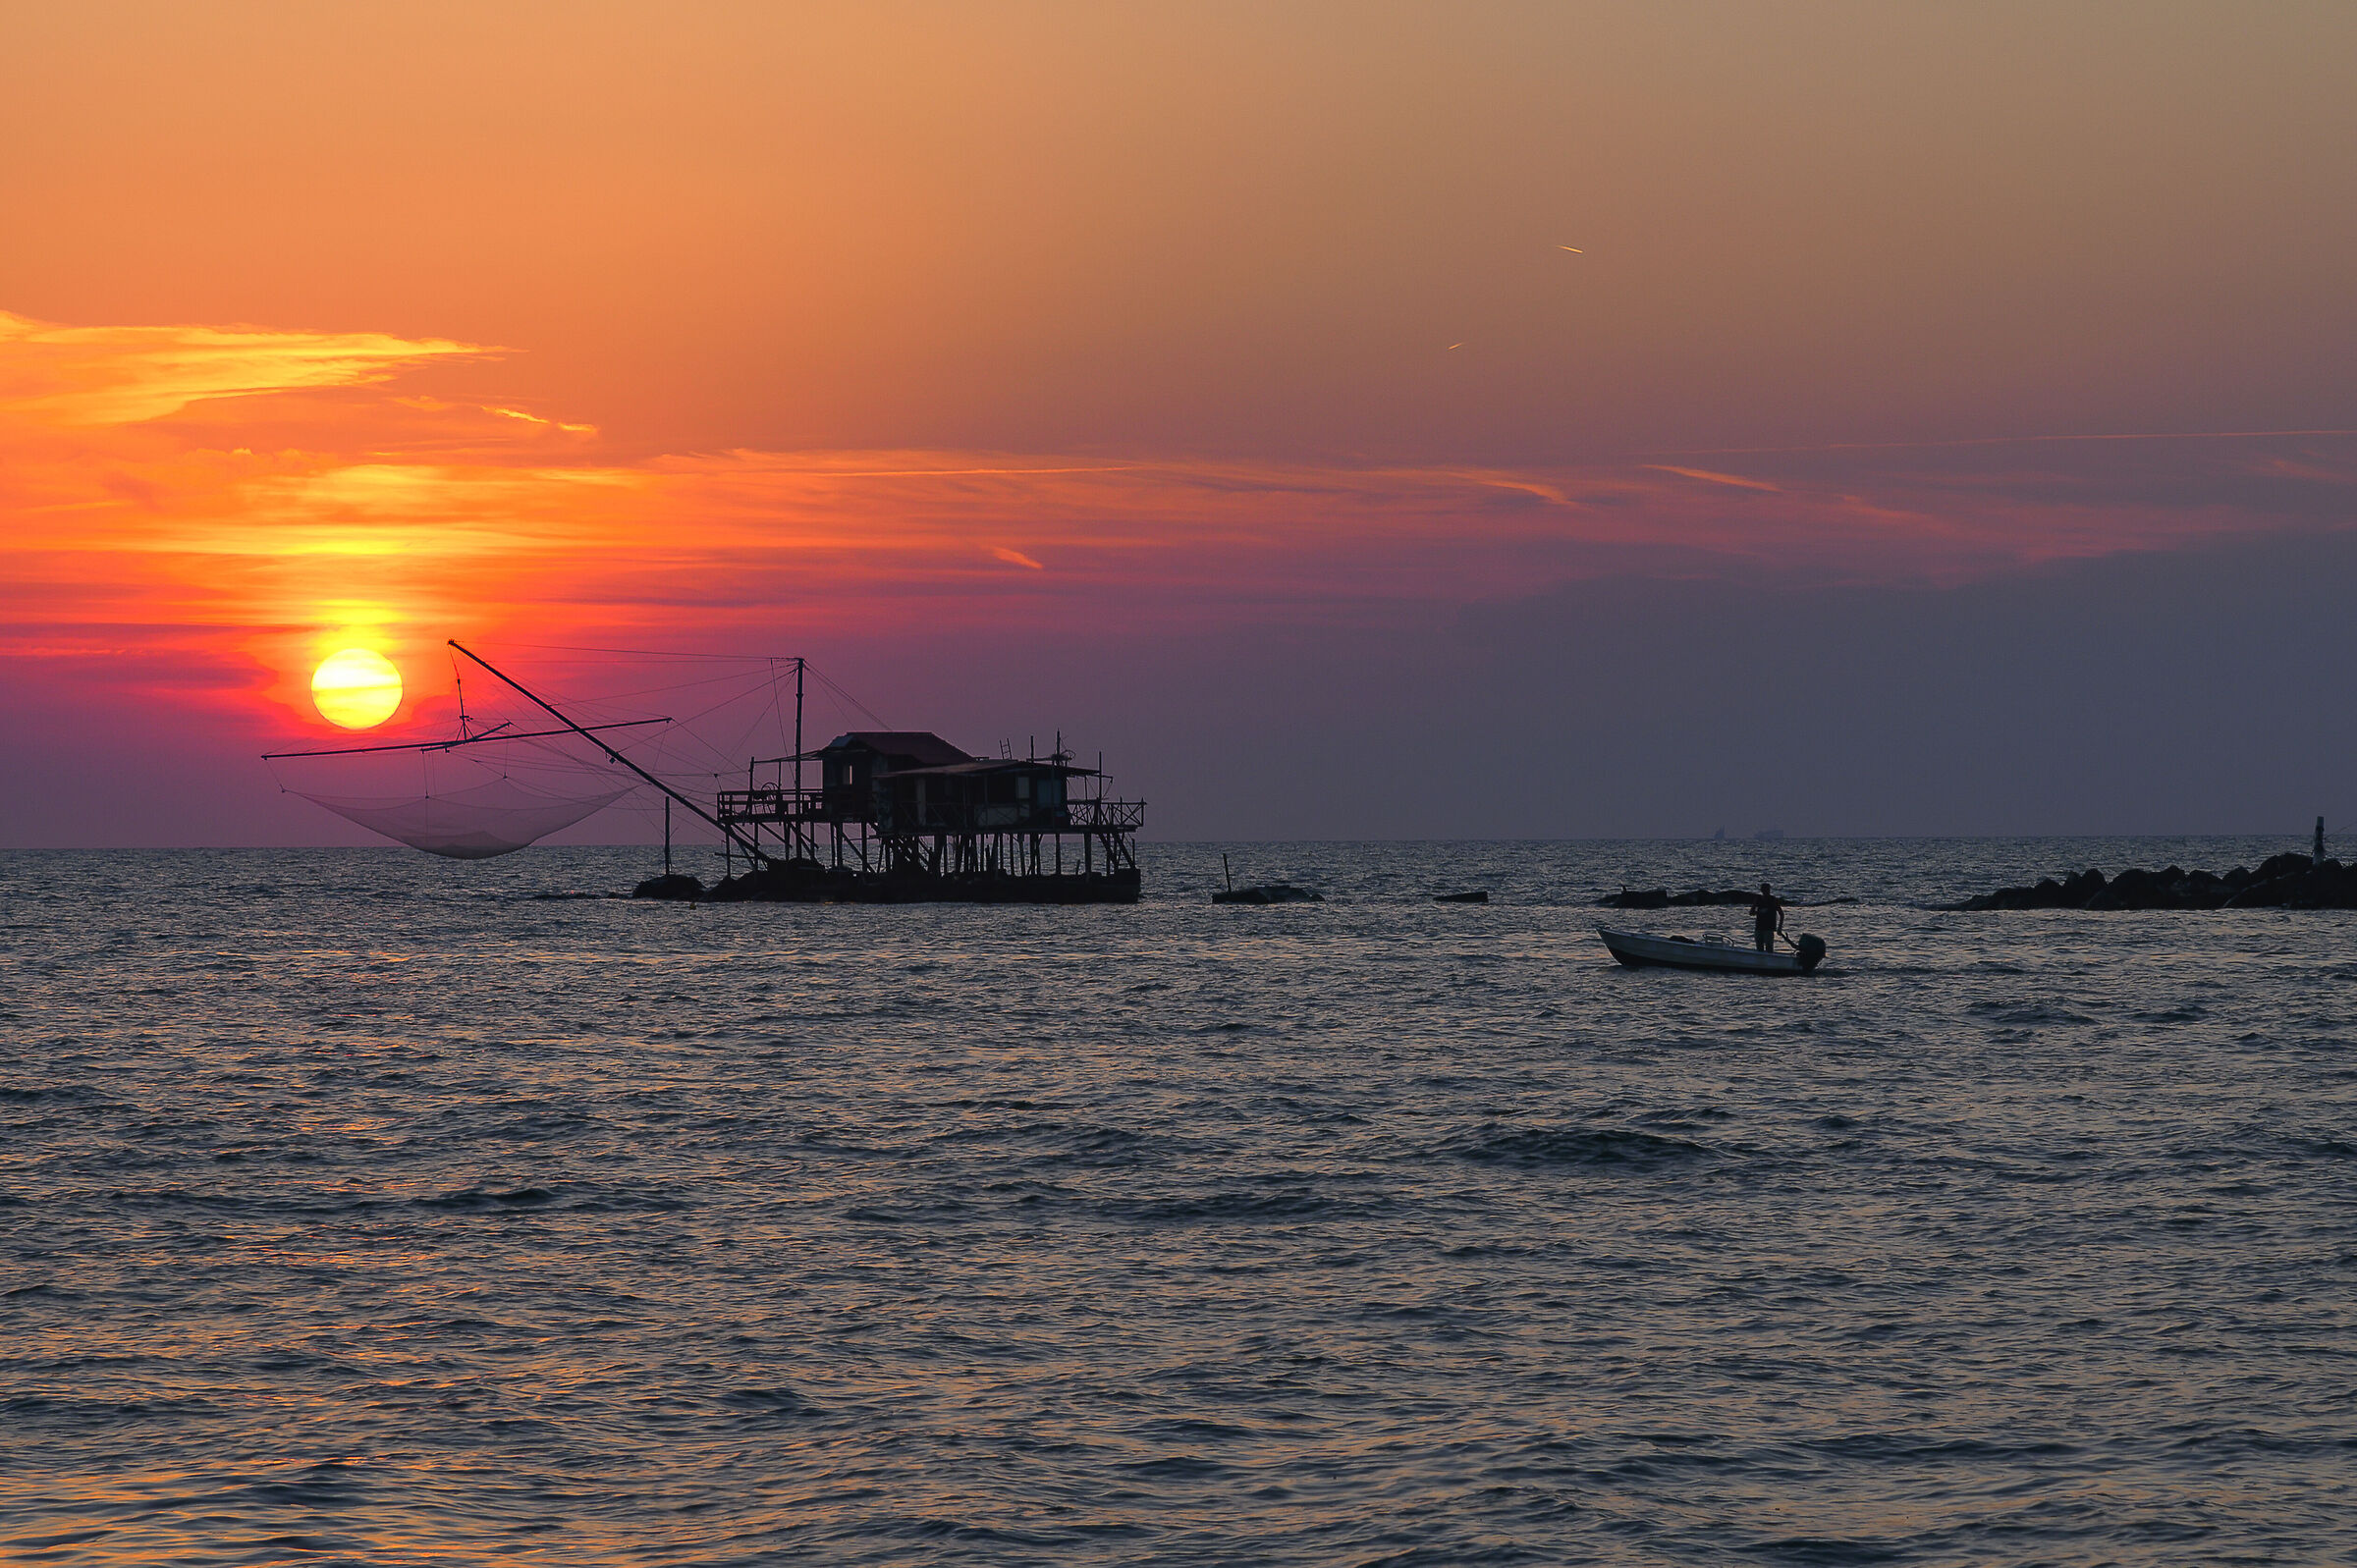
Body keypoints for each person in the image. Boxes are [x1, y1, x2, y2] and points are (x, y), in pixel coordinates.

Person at [1750, 881, 1784, 951]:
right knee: (1759, 949)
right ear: (1761, 890)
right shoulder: (1758, 899)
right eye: (1764, 890)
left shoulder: (1774, 900)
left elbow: (1781, 914)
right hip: (1759, 927)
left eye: (1767, 890)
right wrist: (1759, 912)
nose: (1766, 892)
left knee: (1769, 948)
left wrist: (1779, 928)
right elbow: (1751, 913)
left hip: (1769, 928)